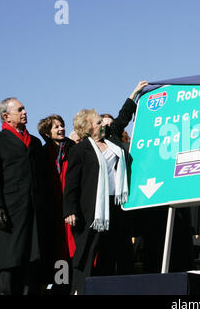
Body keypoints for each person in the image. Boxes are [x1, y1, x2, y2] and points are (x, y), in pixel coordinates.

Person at [63, 81, 147, 294]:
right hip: (92, 209)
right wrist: (70, 210)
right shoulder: (79, 150)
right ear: (89, 126)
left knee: (117, 250)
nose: (103, 123)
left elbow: (123, 116)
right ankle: (79, 290)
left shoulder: (111, 138)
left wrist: (135, 93)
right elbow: (71, 183)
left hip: (116, 205)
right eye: (99, 121)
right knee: (88, 251)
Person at [0, 97, 49, 295]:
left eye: (25, 108)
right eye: (20, 109)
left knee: (30, 265)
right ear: (6, 116)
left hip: (32, 214)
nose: (25, 112)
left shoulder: (34, 142)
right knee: (8, 265)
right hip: (9, 212)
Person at [37, 114, 76, 294]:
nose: (61, 129)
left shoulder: (73, 148)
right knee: (59, 251)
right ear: (47, 132)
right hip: (53, 210)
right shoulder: (42, 154)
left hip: (71, 207)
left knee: (73, 247)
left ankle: (77, 284)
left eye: (62, 125)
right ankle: (63, 286)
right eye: (56, 127)